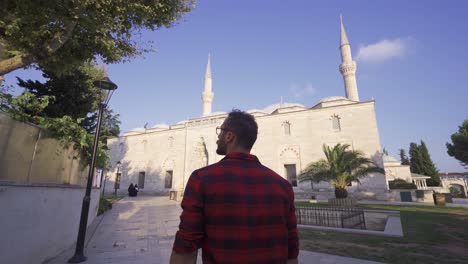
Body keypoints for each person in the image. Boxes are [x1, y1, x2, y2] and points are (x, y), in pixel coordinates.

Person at [170, 110, 299, 264]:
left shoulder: (202, 180)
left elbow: (186, 246)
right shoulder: (283, 186)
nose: (218, 137)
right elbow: (291, 250)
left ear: (229, 136)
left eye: (220, 131)